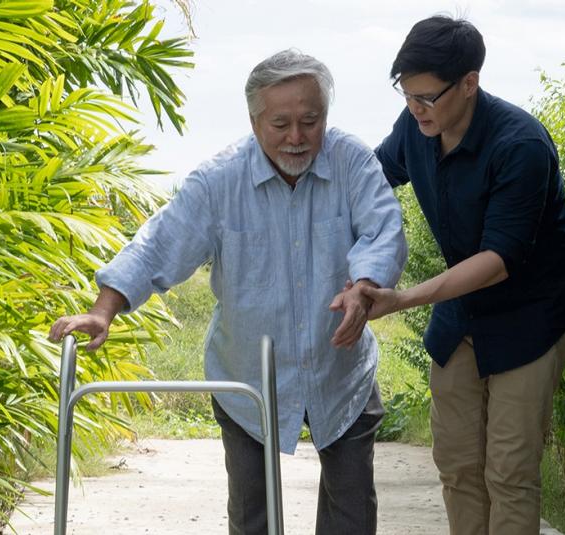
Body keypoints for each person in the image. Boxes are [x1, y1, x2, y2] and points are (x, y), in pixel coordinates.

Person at [49, 49, 407, 535]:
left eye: (310, 120)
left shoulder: (352, 161)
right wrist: (104, 311)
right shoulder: (219, 181)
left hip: (340, 372)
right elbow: (159, 244)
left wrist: (363, 287)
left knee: (352, 513)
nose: (297, 138)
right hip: (247, 379)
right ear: (254, 120)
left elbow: (382, 230)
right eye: (281, 123)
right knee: (252, 515)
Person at [360, 16, 565, 535]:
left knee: (510, 473)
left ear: (469, 82)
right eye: (406, 94)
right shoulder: (415, 128)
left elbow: (498, 260)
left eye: (427, 97)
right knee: (459, 465)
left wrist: (402, 298)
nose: (415, 108)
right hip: (462, 309)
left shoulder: (520, 145)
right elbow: (369, 182)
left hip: (533, 317)